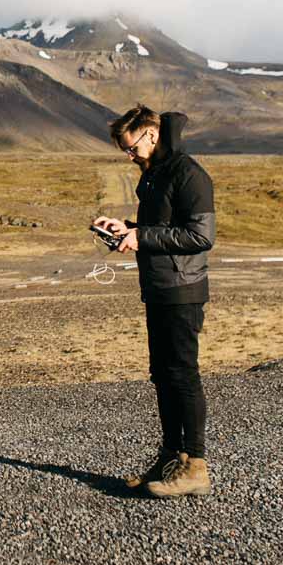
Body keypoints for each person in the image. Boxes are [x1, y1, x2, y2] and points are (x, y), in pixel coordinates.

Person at [93, 104, 215, 498]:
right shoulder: (156, 174)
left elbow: (200, 236)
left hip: (183, 289)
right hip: (160, 287)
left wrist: (141, 238)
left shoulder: (188, 173)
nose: (129, 156)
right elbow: (162, 227)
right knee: (162, 375)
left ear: (150, 133)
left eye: (131, 148)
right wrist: (127, 228)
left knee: (182, 374)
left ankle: (195, 465)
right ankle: (169, 459)